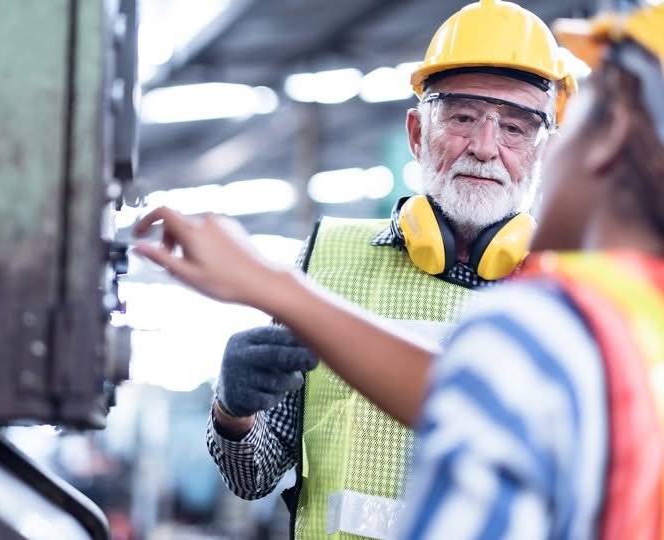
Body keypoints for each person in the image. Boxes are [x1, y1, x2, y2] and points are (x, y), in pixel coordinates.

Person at [134, 2, 664, 538]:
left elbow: (473, 394)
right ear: (416, 133)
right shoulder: (328, 260)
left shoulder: (554, 314)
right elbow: (252, 478)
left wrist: (272, 285)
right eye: (461, 117)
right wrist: (233, 416)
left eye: (517, 128)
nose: (484, 147)